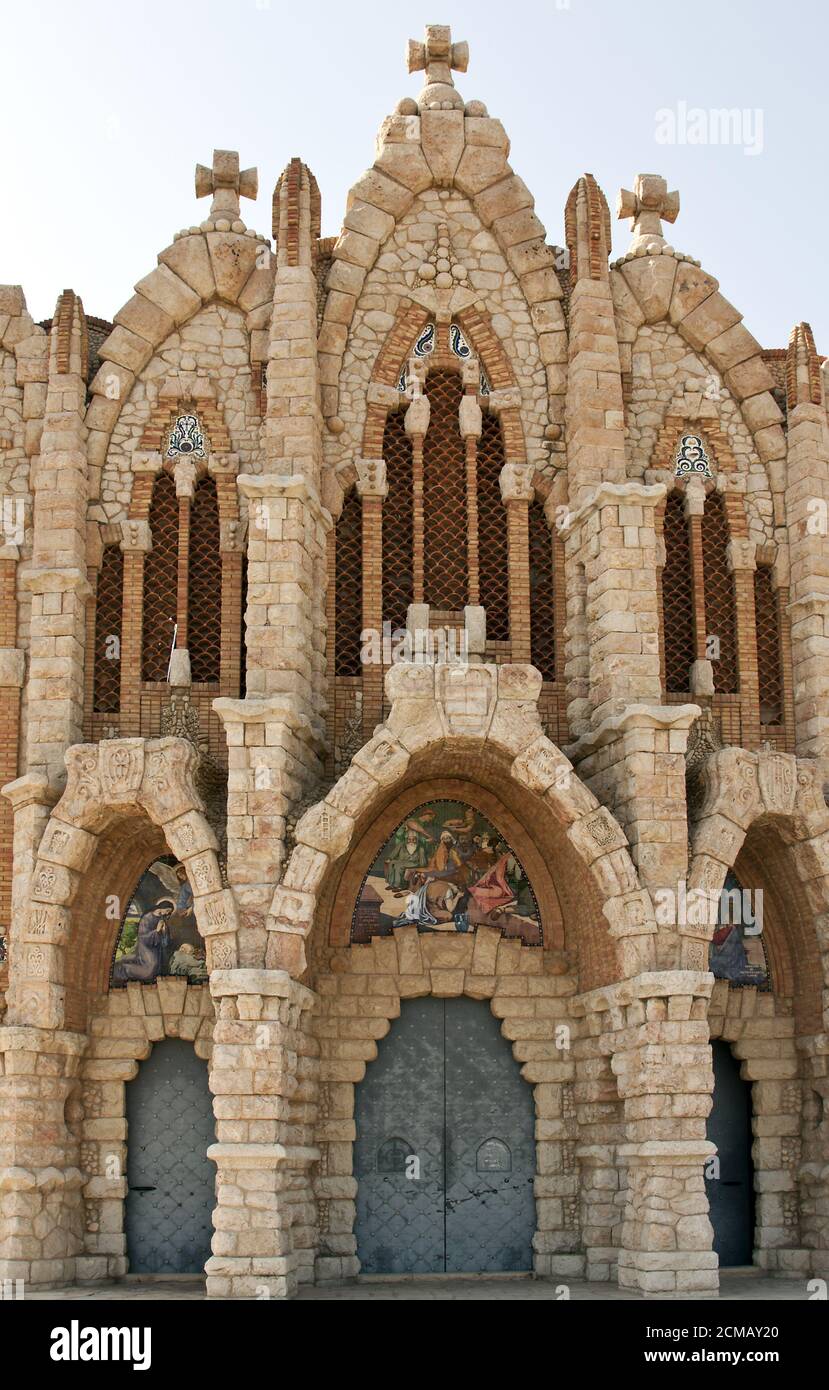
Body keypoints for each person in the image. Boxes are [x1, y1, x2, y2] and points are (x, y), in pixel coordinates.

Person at [113, 899, 175, 983]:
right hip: (145, 948)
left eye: (169, 912)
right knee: (149, 971)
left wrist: (164, 931)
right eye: (167, 910)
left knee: (157, 969)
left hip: (156, 949)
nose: (168, 913)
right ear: (162, 907)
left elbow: (165, 939)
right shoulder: (147, 918)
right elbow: (142, 937)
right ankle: (124, 969)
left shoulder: (162, 919)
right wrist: (156, 931)